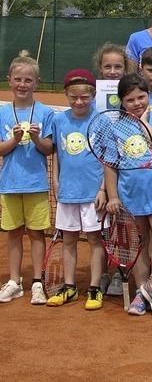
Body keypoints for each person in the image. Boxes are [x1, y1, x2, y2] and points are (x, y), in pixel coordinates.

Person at [104, 73, 152, 319]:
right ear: (122, 102)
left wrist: (144, 123)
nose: (137, 103)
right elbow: (110, 165)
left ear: (149, 95)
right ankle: (141, 291)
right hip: (130, 195)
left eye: (141, 97)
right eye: (130, 99)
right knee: (140, 246)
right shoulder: (114, 126)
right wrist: (112, 195)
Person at [48, 69, 107, 310]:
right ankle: (70, 287)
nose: (79, 101)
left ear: (93, 95)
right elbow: (57, 156)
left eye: (84, 97)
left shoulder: (101, 120)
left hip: (93, 193)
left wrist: (103, 189)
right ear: (66, 95)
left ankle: (94, 288)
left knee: (94, 239)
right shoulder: (59, 120)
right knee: (68, 239)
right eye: (73, 97)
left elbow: (107, 159)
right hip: (67, 192)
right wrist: (55, 180)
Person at [0, 51, 54, 305]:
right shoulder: (2, 112)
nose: (23, 84)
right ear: (9, 80)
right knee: (12, 233)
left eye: (28, 80)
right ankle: (14, 281)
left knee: (36, 233)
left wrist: (34, 138)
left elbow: (49, 149)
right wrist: (13, 138)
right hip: (10, 183)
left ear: (37, 82)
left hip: (36, 184)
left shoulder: (45, 113)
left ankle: (37, 282)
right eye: (18, 79)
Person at [93, 42, 127, 295]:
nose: (113, 71)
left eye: (118, 66)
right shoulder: (92, 98)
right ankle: (102, 274)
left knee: (123, 227)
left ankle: (121, 273)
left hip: (124, 172)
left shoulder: (133, 96)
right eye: (108, 67)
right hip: (97, 170)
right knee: (102, 230)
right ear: (100, 69)